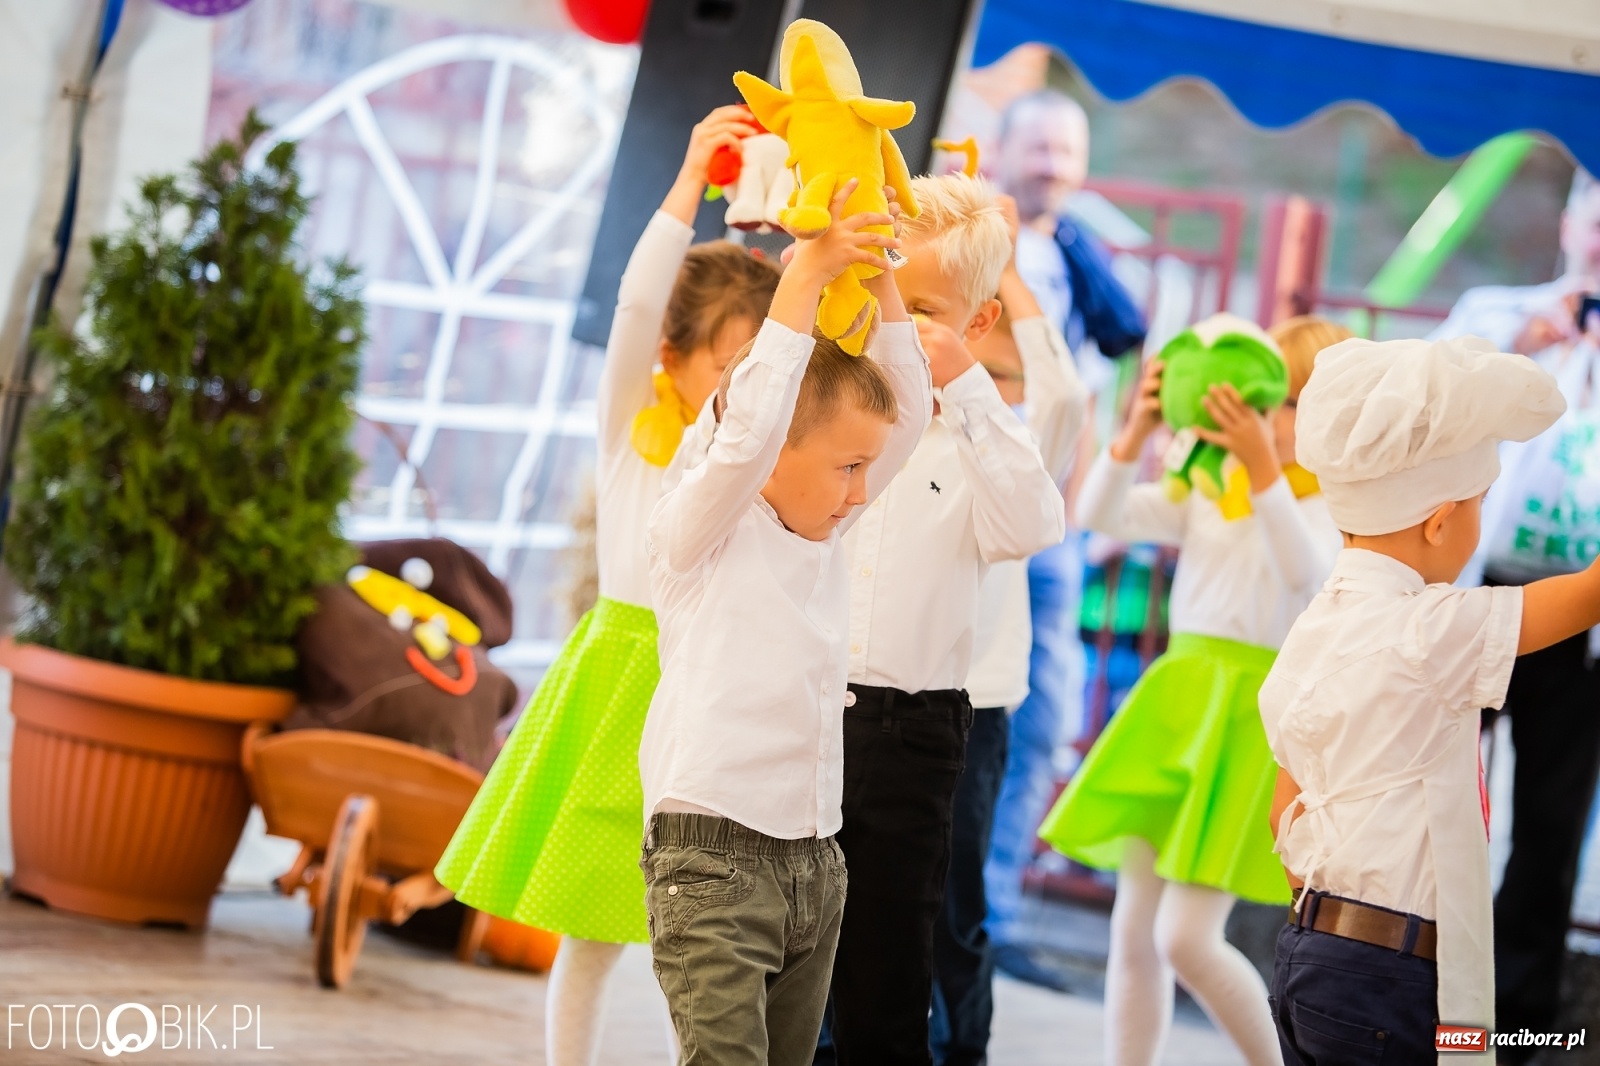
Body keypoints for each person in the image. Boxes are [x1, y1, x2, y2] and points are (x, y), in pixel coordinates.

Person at [433, 106, 775, 1066]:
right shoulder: (635, 428)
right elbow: (635, 306)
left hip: (719, 691)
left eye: (767, 367)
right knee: (595, 924)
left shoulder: (762, 453)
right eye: (731, 364)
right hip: (627, 681)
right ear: (673, 360)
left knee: (704, 936)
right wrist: (687, 183)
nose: (752, 385)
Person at [638, 179, 931, 1064]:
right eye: (846, 467)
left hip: (816, 862)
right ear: (773, 457)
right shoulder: (700, 532)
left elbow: (905, 415)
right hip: (715, 865)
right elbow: (749, 428)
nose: (860, 494)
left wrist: (880, 276)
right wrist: (805, 275)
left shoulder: (824, 530)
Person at [1260, 335, 1596, 1063]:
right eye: (1478, 502)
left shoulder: (1316, 625)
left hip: (1308, 956)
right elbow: (1583, 597)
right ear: (1440, 521)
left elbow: (1284, 809)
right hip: (1395, 977)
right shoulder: (1430, 629)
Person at [1040, 314, 1342, 1066]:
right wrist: (1136, 431)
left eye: (1287, 403)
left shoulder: (1335, 506)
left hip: (1252, 716)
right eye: (1265, 398)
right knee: (1135, 929)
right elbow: (1100, 515)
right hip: (1179, 698)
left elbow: (1308, 576)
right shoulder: (1212, 480)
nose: (1264, 419)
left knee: (1185, 937)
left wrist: (1263, 473)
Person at [818, 174, 1067, 1066]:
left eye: (916, 305)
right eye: (874, 288)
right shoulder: (820, 415)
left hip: (912, 731)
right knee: (785, 973)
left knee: (891, 977)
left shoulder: (980, 440)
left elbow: (1034, 524)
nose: (886, 318)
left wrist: (962, 387)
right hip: (801, 707)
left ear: (977, 325)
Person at [1432, 168, 1600, 1055]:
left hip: (1582, 621)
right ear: (1570, 222)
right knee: (1433, 801)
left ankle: (1523, 1030)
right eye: (1595, 216)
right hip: (1483, 591)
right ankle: (1419, 1005)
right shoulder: (1500, 309)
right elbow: (1434, 397)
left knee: (1549, 825)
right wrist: (1528, 346)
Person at [985, 87, 1148, 988]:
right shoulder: (973, 238)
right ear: (1004, 151)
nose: (1052, 164)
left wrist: (1087, 501)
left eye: (1066, 151)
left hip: (1051, 526)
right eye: (1038, 147)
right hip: (967, 501)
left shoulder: (1081, 255)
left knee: (1039, 717)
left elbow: (1101, 386)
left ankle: (993, 909)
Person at [929, 194, 1089, 1066]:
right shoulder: (881, 427)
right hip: (873, 697)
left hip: (974, 704)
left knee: (953, 909)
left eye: (997, 370)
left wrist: (1012, 276)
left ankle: (963, 1052)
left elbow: (1061, 391)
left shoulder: (1014, 450)